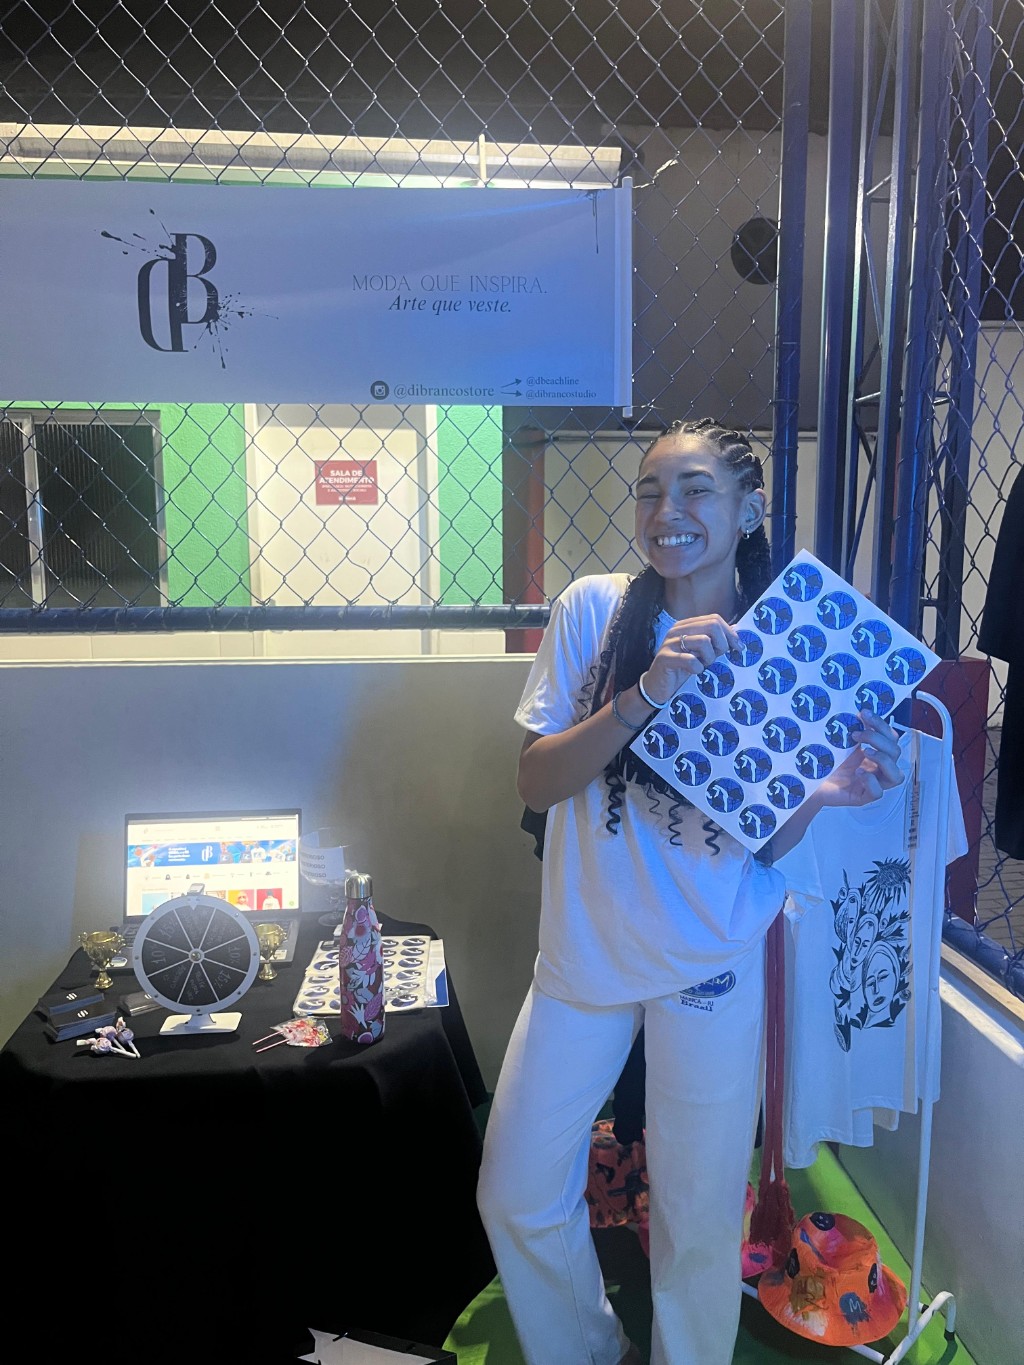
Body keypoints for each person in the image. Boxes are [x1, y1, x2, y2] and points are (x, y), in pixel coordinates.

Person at [476, 417, 904, 1365]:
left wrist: (827, 792)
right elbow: (538, 782)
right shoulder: (595, 611)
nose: (668, 510)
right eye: (652, 489)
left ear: (749, 509)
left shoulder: (785, 644)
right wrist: (643, 695)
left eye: (697, 488)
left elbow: (767, 838)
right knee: (514, 1187)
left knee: (699, 1211)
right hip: (583, 958)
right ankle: (589, 1349)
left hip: (710, 959)